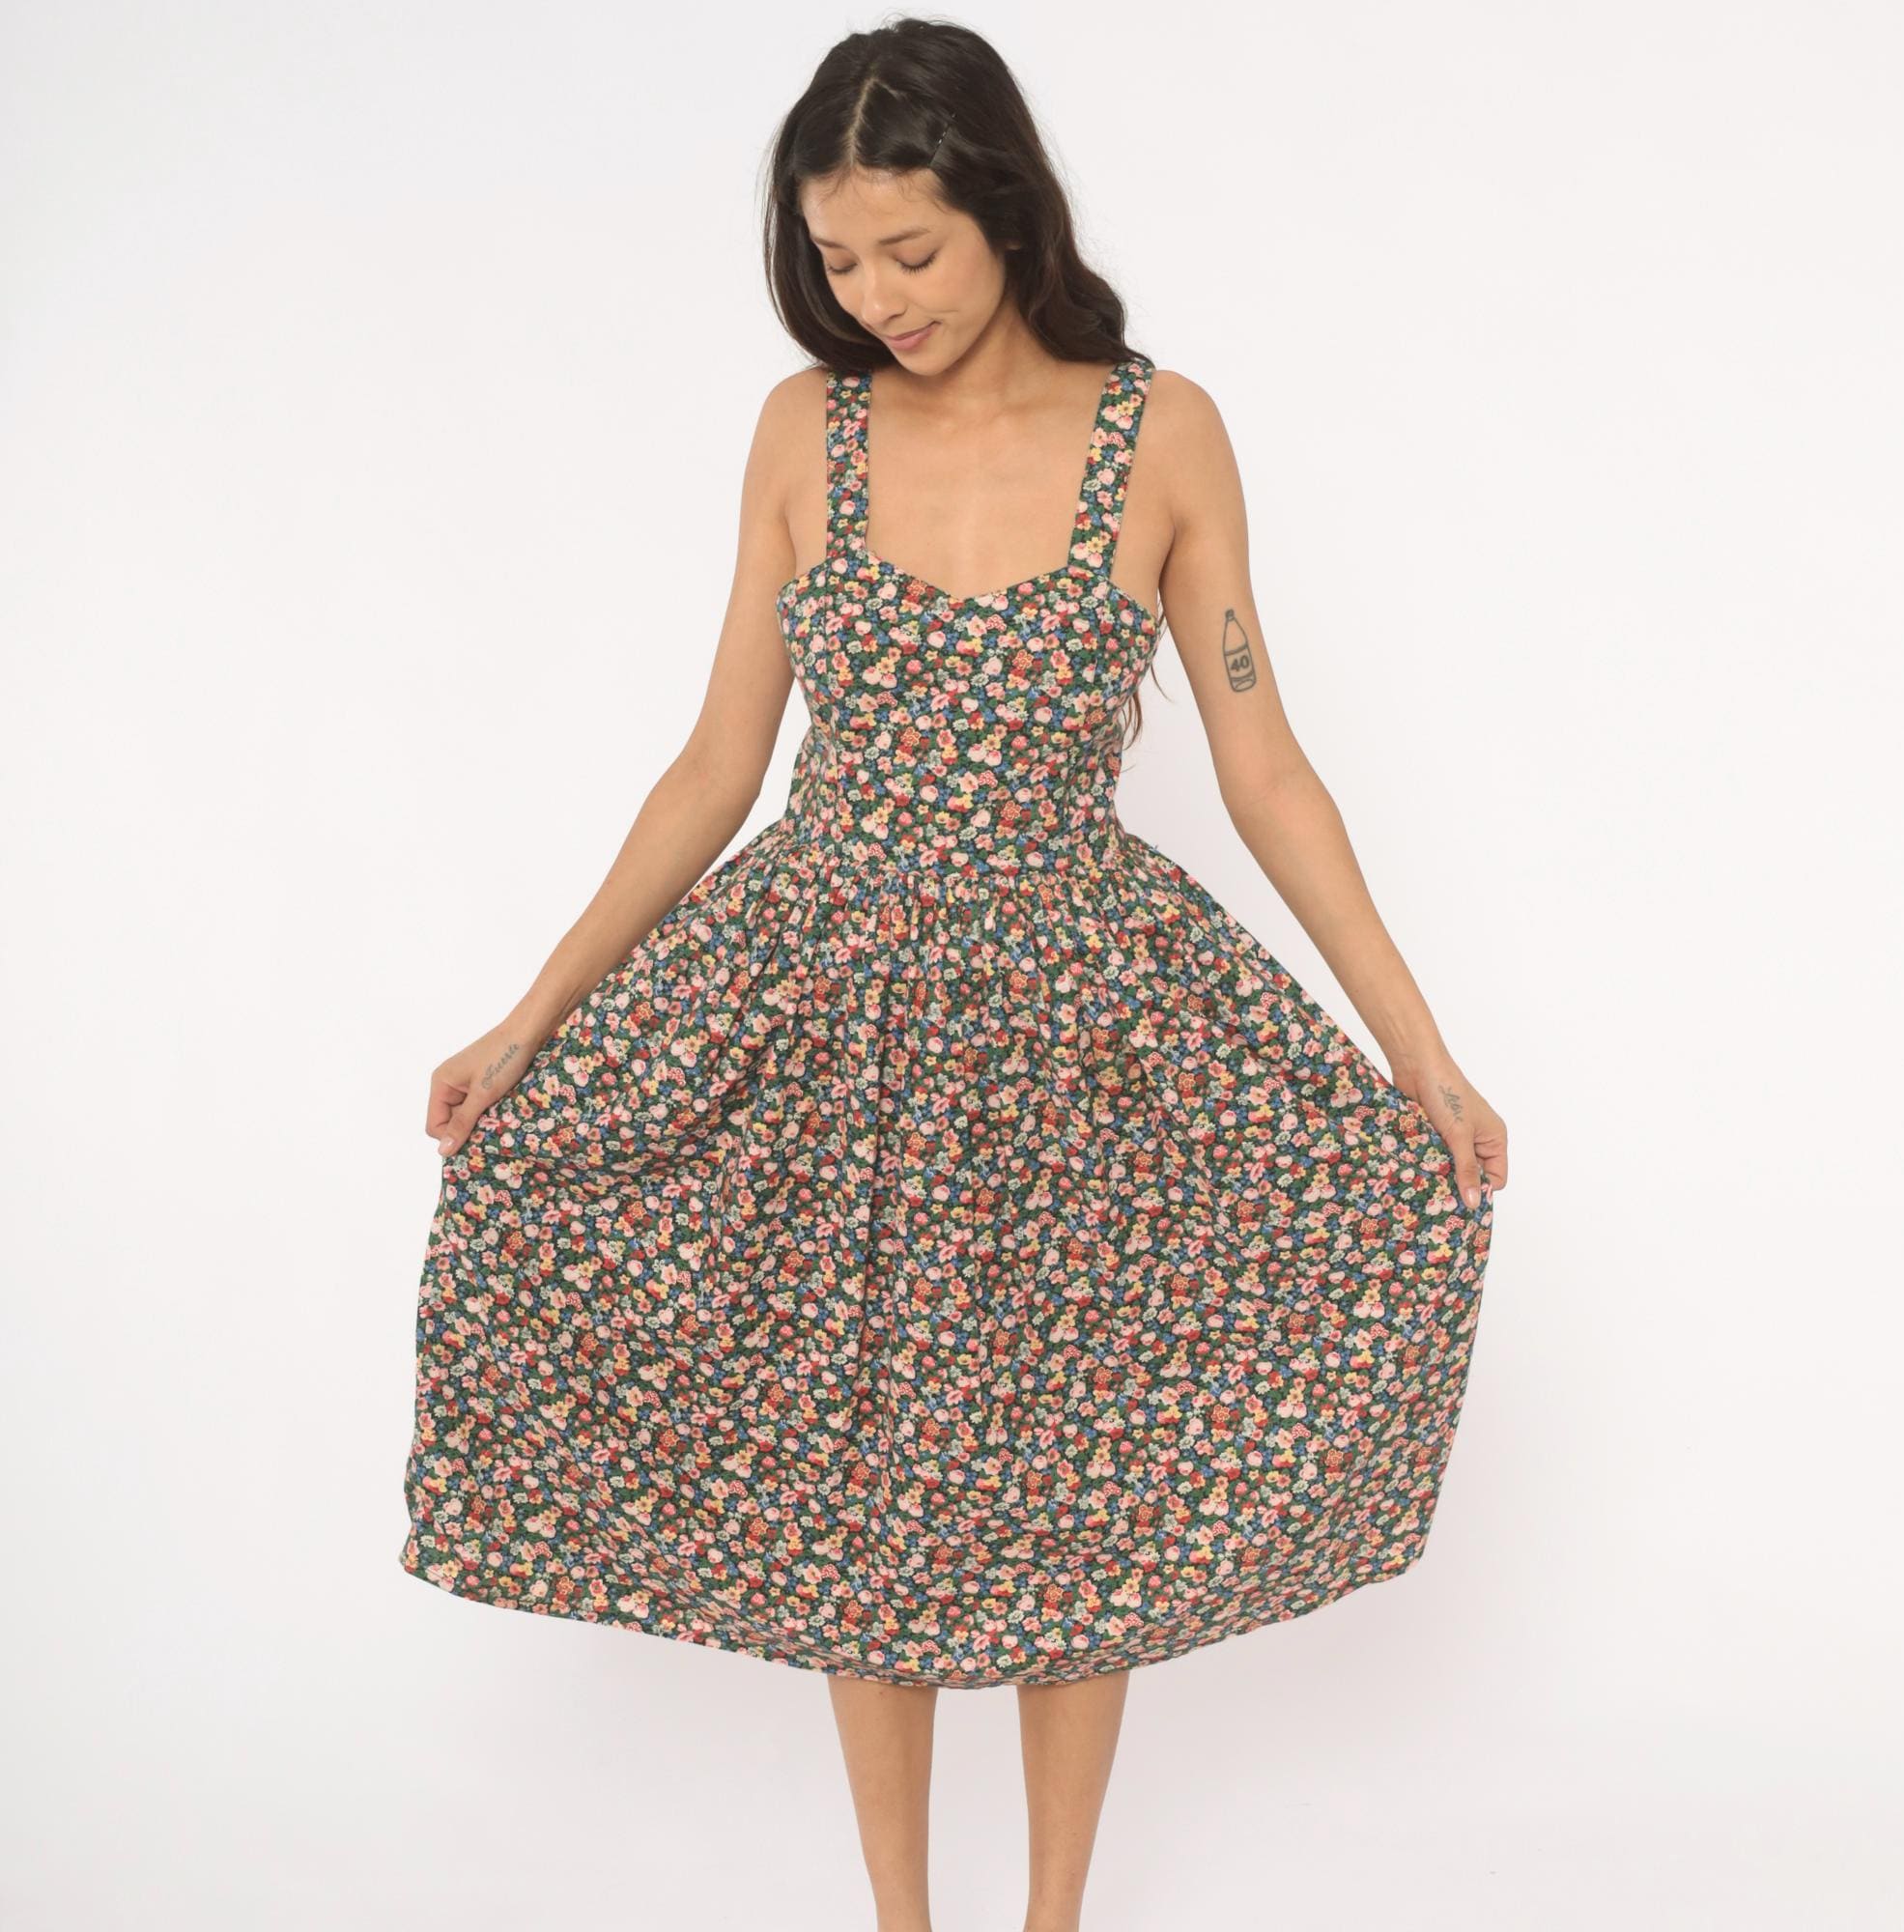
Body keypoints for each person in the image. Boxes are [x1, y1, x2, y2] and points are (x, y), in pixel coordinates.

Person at [400, 18, 1506, 1931]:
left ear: (1004, 209)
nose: (875, 296)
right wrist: (531, 1017)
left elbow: (1263, 766)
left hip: (1080, 1037)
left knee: (1077, 1487)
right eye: (838, 260)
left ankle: (1052, 1919)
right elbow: (716, 766)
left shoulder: (1162, 432)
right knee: (868, 1502)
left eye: (908, 250)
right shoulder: (800, 432)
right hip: (827, 1023)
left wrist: (1427, 1057)